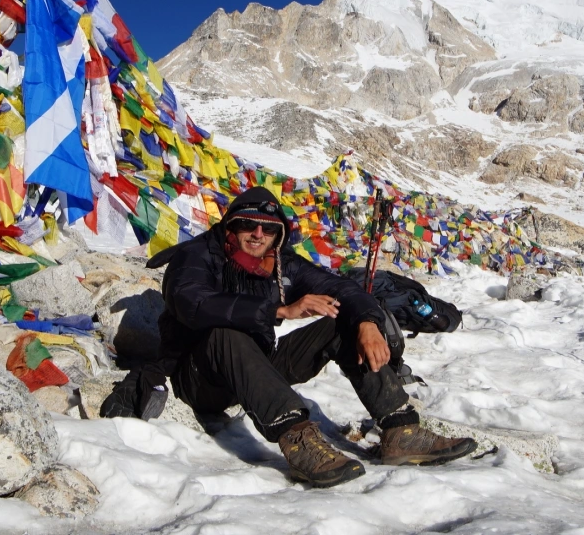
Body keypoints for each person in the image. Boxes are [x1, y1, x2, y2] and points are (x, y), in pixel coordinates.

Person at [146, 186, 476, 487]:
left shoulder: (279, 263)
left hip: (258, 366)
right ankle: (298, 439)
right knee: (225, 333)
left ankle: (400, 430)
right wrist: (277, 311)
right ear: (230, 225)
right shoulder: (198, 254)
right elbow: (191, 301)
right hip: (201, 376)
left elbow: (341, 287)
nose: (258, 234)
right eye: (248, 225)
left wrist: (366, 322)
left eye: (269, 227)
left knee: (340, 320)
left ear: (278, 233)